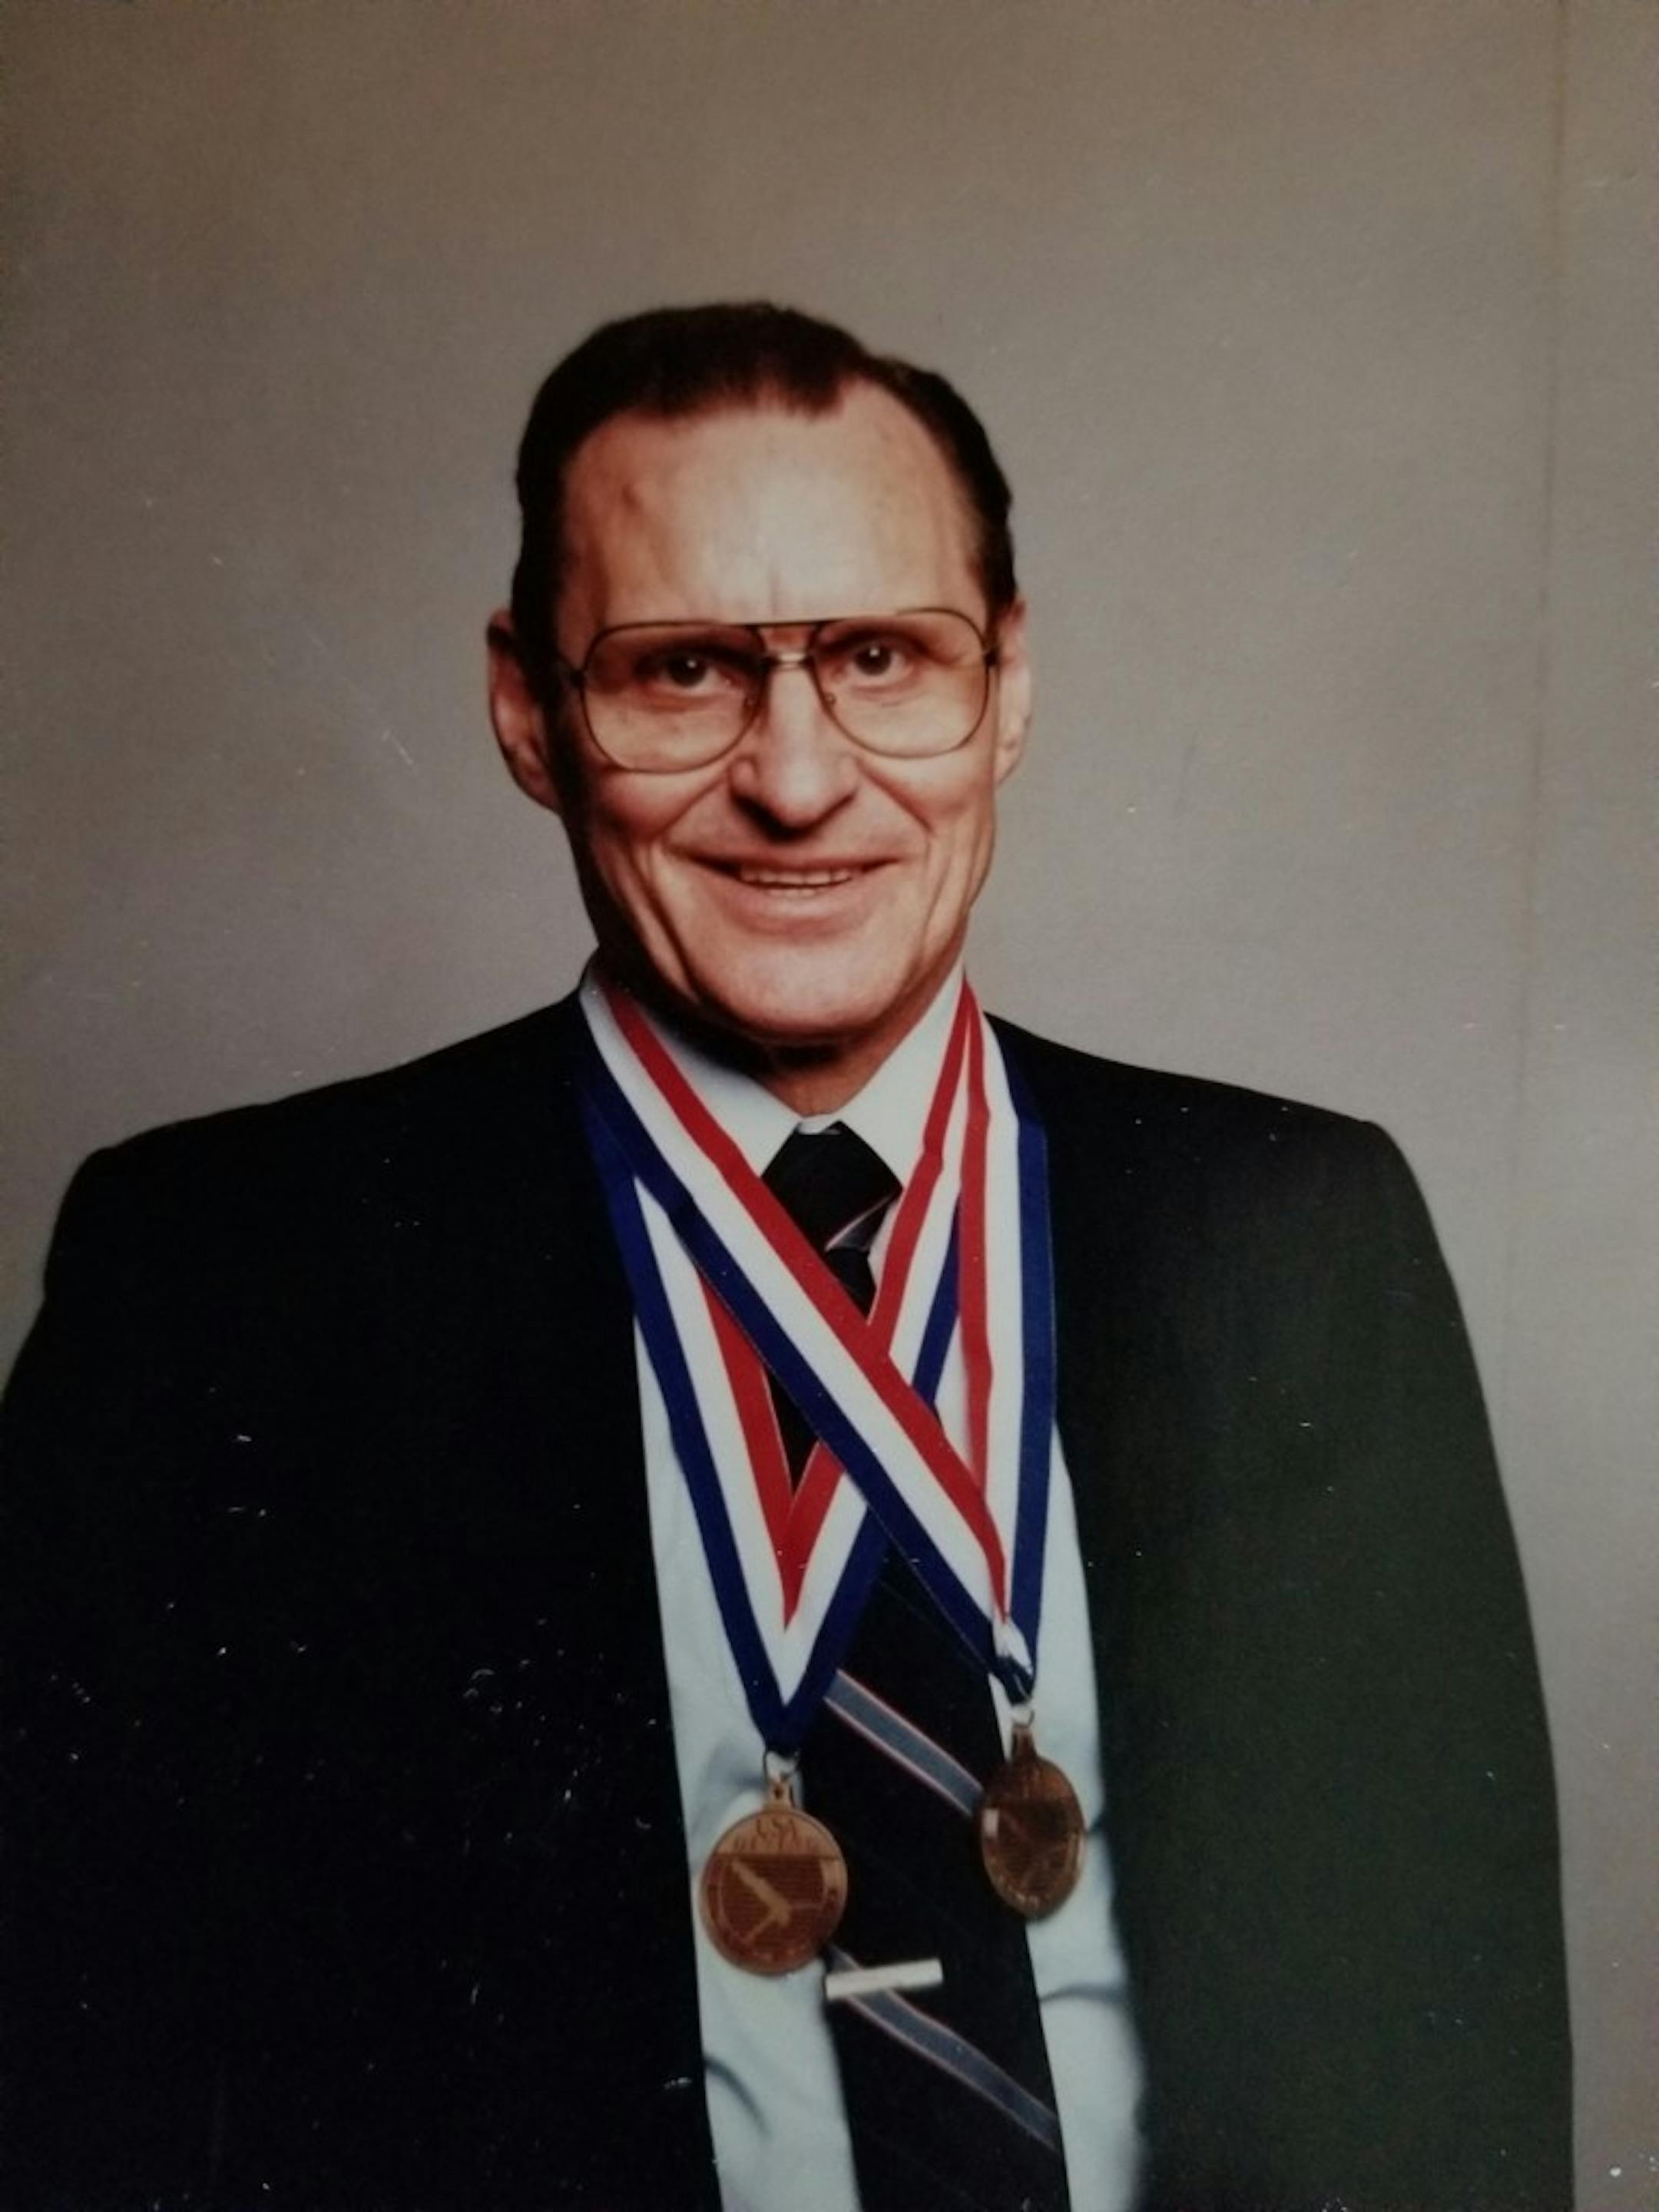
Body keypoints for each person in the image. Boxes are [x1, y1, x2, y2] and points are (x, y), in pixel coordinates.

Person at [0, 304, 1571, 2212]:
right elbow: (76, 2092)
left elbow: (1454, 2063)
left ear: (1006, 690)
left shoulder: (1300, 1231)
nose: (799, 779)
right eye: (684, 674)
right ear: (527, 708)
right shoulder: (221, 1288)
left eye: (881, 657)